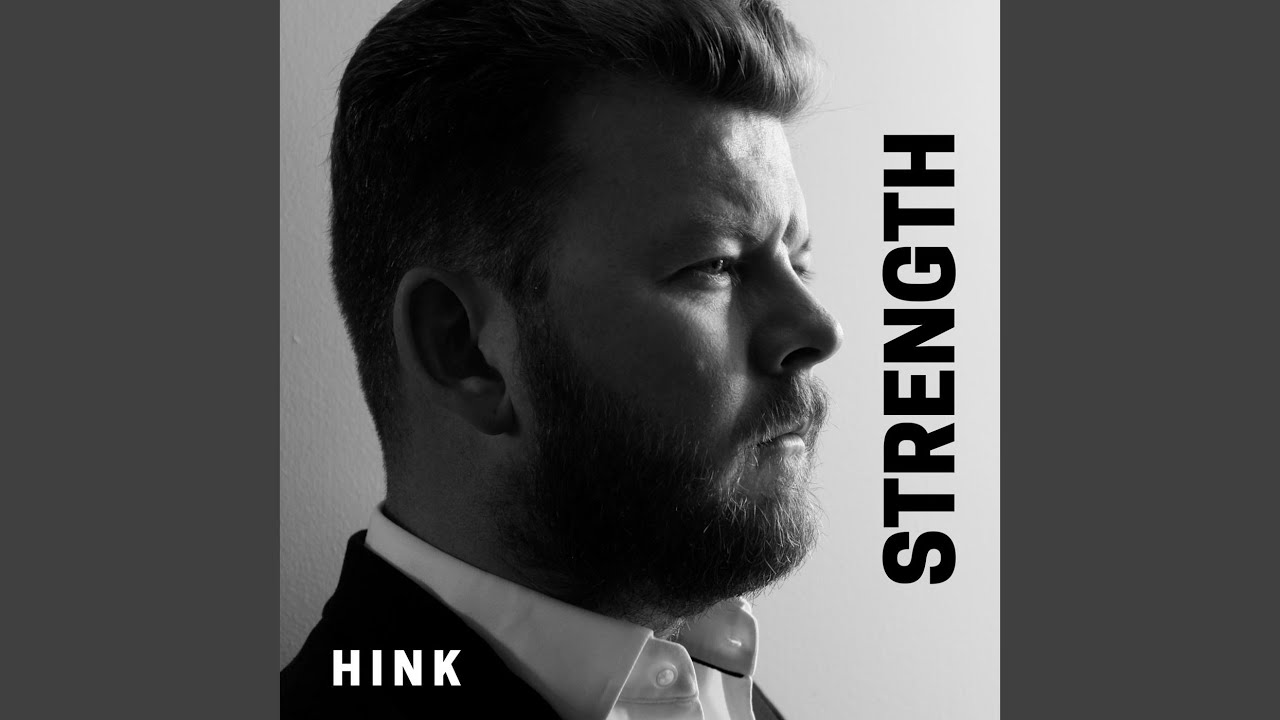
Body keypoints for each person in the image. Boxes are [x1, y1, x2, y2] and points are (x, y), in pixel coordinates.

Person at [281, 0, 843, 717]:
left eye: (799, 260)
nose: (818, 328)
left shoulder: (722, 685)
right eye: (715, 266)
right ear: (464, 350)